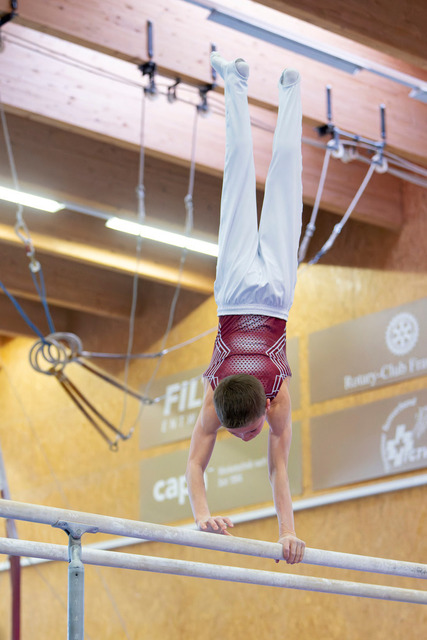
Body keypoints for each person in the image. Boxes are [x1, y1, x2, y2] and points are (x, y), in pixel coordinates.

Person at [185, 52, 305, 564]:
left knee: (238, 177)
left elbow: (195, 465)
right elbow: (279, 468)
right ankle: (290, 90)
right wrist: (287, 533)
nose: (249, 435)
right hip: (275, 296)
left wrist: (200, 515)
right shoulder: (277, 399)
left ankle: (234, 82)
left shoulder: (217, 402)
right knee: (285, 183)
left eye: (247, 429)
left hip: (234, 292)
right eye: (245, 433)